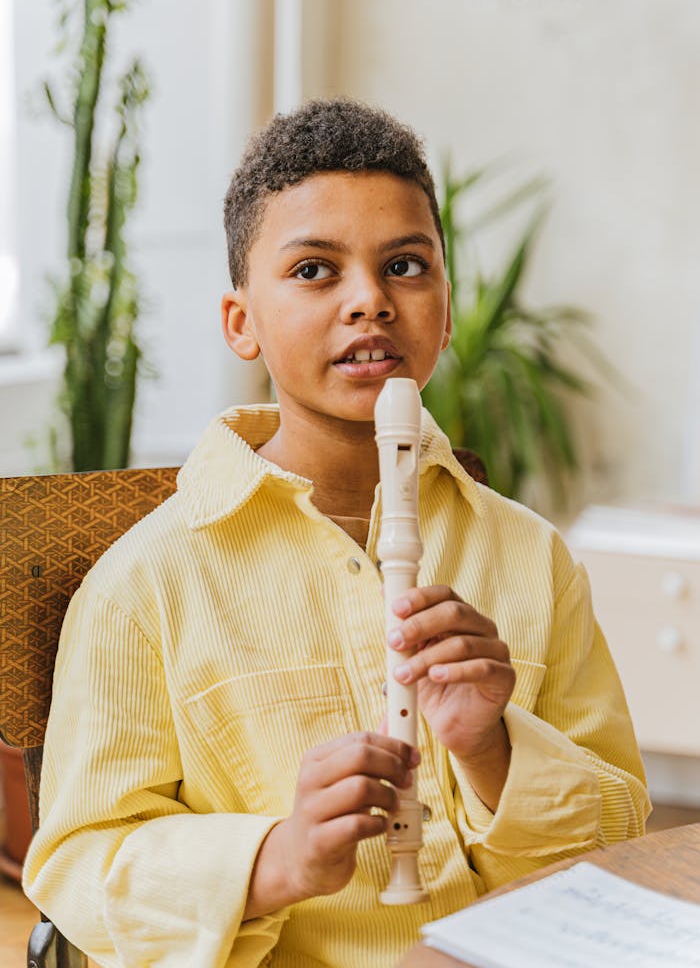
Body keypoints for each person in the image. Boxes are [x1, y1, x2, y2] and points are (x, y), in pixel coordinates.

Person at [23, 98, 650, 968]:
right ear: (242, 320)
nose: (370, 302)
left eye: (404, 265)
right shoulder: (146, 584)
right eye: (315, 270)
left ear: (446, 305)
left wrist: (492, 749)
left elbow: (619, 828)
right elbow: (80, 866)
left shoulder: (530, 557)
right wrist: (276, 860)